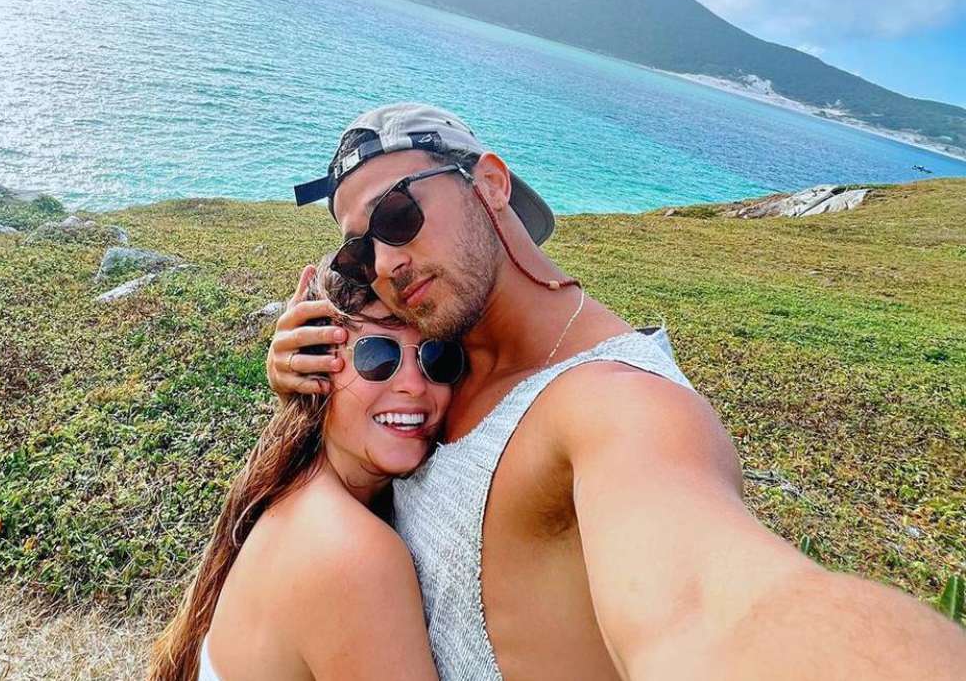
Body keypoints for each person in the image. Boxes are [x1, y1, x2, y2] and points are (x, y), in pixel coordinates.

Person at [269, 103, 966, 680]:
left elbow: (710, 609)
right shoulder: (438, 360)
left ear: (491, 183)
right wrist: (310, 393)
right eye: (360, 250)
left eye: (397, 216)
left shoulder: (621, 403)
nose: (385, 263)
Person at [149, 255, 468, 681]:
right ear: (314, 368)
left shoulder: (294, 487)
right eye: (377, 355)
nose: (413, 384)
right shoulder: (354, 557)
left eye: (438, 357)